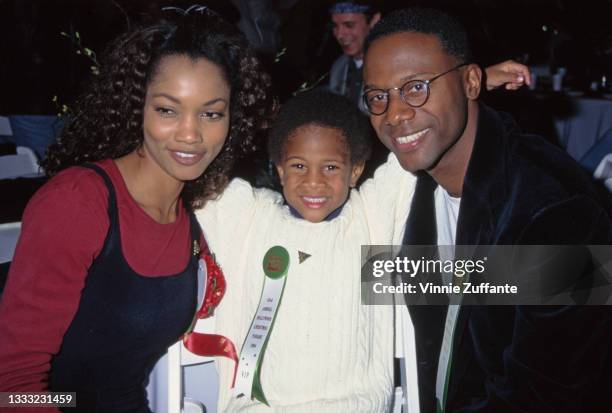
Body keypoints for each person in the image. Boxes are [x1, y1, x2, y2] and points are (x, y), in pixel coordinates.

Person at [0, 10, 272, 413]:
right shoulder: (80, 202)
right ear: (136, 107)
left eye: (211, 113)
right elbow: (14, 385)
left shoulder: (193, 215)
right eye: (167, 109)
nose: (190, 133)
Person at [362, 7, 612, 413]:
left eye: (416, 87)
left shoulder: (556, 212)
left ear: (471, 82)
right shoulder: (411, 187)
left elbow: (552, 396)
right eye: (378, 96)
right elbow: (375, 280)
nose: (394, 114)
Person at [196, 90, 416, 412]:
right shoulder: (248, 217)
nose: (314, 182)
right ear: (280, 170)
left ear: (355, 171)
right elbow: (188, 167)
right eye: (299, 166)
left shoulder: (372, 217)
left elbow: (415, 150)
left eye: (330, 167)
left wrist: (456, 90)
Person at [328, 1, 531, 108]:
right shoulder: (338, 68)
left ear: (374, 21)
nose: (340, 34)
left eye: (349, 25)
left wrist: (482, 78)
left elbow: (431, 91)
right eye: (335, 26)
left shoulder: (400, 59)